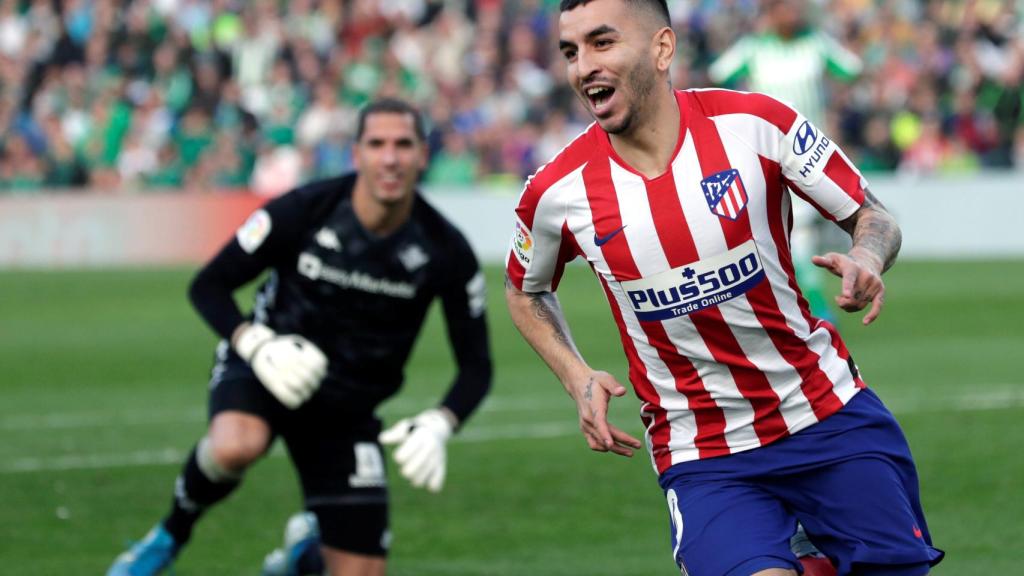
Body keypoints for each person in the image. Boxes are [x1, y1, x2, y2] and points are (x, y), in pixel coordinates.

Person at [504, 1, 943, 576]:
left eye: (602, 43)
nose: (583, 66)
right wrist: (576, 375)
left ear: (662, 48)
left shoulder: (757, 125)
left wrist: (866, 255)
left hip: (825, 413)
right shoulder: (556, 191)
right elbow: (524, 289)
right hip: (703, 450)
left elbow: (871, 214)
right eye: (571, 51)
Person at [108, 98, 493, 576]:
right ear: (356, 154)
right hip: (265, 365)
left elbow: (477, 366)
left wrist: (441, 423)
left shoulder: (446, 248)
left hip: (348, 409)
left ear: (422, 156)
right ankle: (169, 534)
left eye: (402, 145)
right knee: (234, 446)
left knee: (362, 572)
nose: (389, 158)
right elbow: (208, 286)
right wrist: (253, 343)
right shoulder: (306, 209)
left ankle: (302, 559)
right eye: (377, 144)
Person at [708, 0, 863, 324]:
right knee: (779, 235)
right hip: (764, 156)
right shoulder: (753, 48)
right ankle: (804, 305)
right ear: (771, 11)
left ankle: (810, 305)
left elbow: (850, 68)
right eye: (786, 7)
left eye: (797, 7)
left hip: (808, 153)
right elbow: (718, 74)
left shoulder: (815, 43)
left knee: (798, 233)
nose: (795, 12)